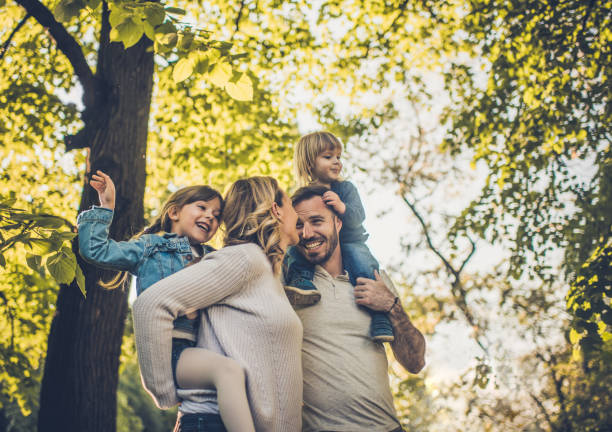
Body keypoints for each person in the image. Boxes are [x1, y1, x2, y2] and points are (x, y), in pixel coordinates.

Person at [78, 171, 256, 432]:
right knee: (227, 372)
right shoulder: (151, 247)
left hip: (205, 347)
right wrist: (107, 207)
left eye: (217, 216)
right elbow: (96, 250)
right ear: (174, 212)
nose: (210, 216)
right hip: (172, 350)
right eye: (202, 207)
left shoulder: (214, 257)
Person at [132, 176, 303, 432]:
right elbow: (150, 304)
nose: (297, 215)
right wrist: (164, 389)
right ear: (275, 210)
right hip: (212, 423)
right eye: (291, 204)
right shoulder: (244, 259)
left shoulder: (266, 271)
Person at [290, 185, 426, 432]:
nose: (307, 233)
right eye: (299, 225)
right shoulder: (289, 285)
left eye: (317, 221)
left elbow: (415, 362)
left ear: (338, 224)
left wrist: (391, 305)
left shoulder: (375, 279)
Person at [284, 131, 394, 342]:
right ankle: (302, 281)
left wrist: (341, 207)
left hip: (350, 242)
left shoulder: (345, 189)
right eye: (328, 157)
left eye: (338, 157)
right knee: (294, 250)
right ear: (309, 163)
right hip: (318, 246)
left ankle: (380, 318)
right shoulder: (302, 196)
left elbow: (359, 216)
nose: (336, 162)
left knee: (363, 265)